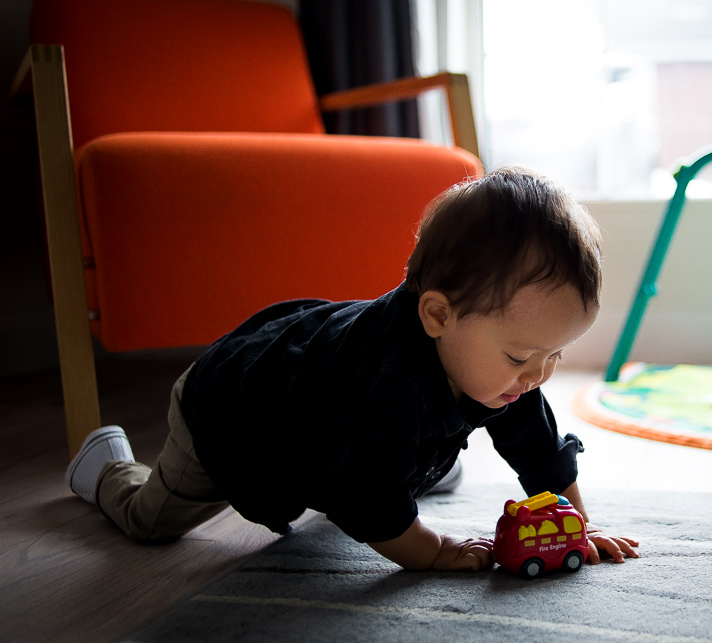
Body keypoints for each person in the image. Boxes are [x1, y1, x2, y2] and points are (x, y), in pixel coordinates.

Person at [65, 167, 639, 571]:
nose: (538, 375)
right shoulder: (385, 387)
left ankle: (419, 465)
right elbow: (370, 507)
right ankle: (105, 468)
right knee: (153, 522)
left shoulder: (493, 365)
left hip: (329, 413)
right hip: (231, 410)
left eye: (555, 355)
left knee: (401, 450)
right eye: (521, 357)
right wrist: (434, 551)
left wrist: (576, 525)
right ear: (438, 314)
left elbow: (536, 445)